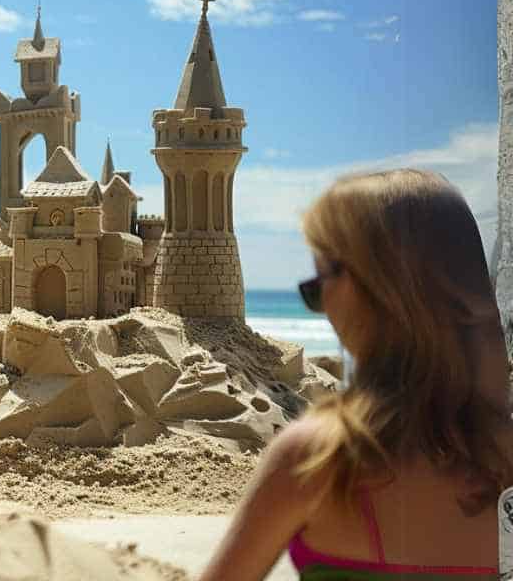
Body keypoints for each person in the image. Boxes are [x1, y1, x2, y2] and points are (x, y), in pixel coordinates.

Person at [200, 169, 511, 579]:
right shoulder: (501, 455)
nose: (321, 305)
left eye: (317, 284)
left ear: (373, 286)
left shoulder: (320, 459)